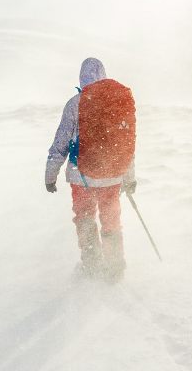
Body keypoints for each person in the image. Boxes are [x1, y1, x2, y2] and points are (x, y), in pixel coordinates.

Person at [45, 57, 136, 282]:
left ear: (81, 77)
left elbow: (61, 143)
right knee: (111, 220)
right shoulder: (116, 103)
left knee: (85, 219)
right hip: (113, 177)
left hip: (81, 176)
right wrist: (129, 177)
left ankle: (92, 265)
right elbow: (126, 144)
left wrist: (50, 175)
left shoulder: (75, 103)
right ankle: (115, 269)